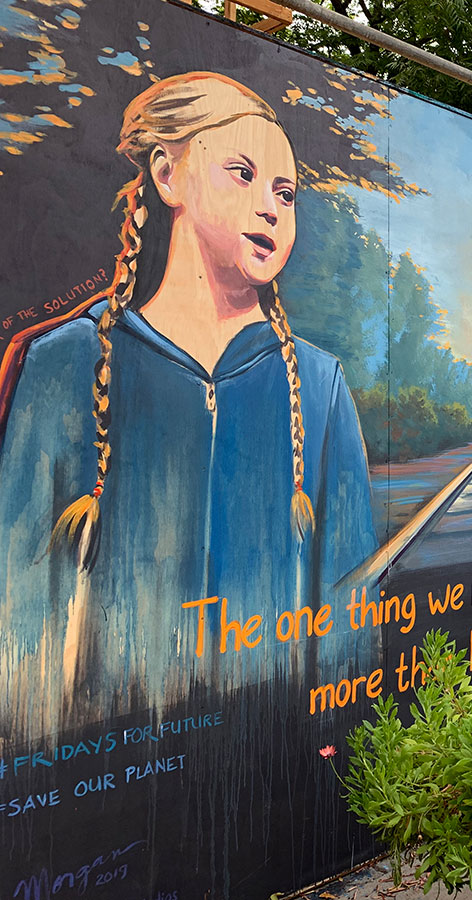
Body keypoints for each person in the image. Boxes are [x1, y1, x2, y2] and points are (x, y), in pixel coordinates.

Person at [0, 72, 378, 737]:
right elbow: (19, 627)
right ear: (167, 174)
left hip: (271, 770)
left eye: (285, 194)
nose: (271, 208)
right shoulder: (65, 364)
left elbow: (350, 616)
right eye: (243, 173)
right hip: (105, 775)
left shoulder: (318, 386)